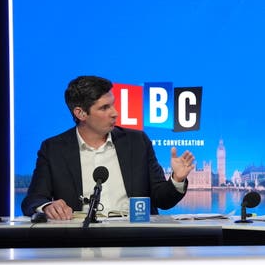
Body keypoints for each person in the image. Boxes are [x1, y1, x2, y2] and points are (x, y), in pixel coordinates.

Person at [21, 75, 195, 220]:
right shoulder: (54, 149)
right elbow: (33, 200)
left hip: (135, 239)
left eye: (113, 104)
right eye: (104, 107)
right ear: (80, 113)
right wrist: (47, 207)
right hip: (79, 239)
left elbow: (162, 200)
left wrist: (176, 180)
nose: (114, 113)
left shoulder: (137, 142)